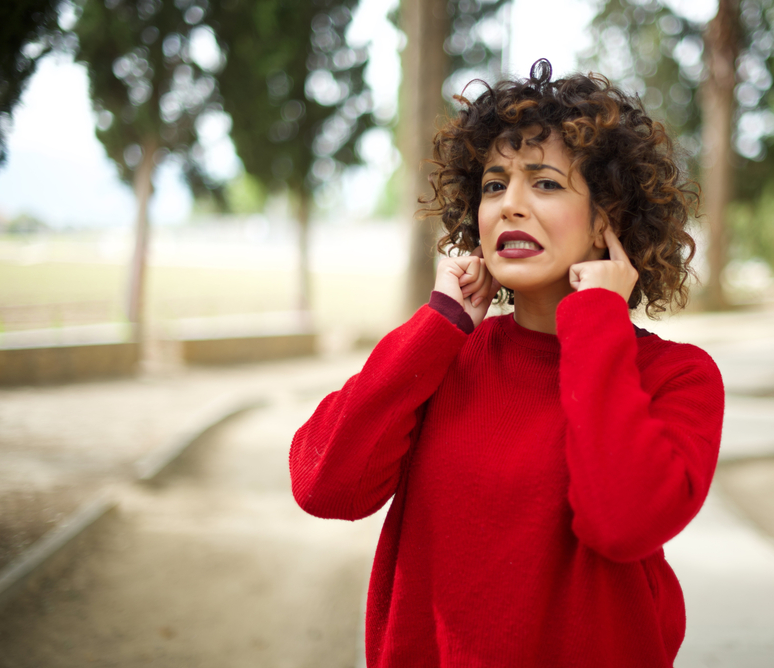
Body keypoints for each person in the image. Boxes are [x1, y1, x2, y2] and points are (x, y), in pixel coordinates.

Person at [289, 59, 724, 668]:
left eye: (544, 183)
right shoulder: (443, 355)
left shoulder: (677, 378)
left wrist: (598, 321)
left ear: (606, 219)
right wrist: (438, 324)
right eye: (495, 184)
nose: (509, 206)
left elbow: (621, 521)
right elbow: (325, 485)